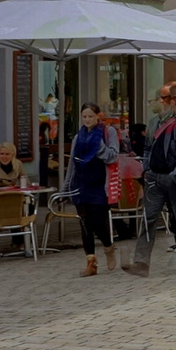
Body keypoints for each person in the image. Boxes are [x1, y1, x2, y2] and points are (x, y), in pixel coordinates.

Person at [124, 82, 176, 277]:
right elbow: (148, 147)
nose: (157, 101)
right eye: (156, 98)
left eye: (162, 98)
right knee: (148, 219)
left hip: (174, 179)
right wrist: (147, 169)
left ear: (172, 101)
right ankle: (141, 263)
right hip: (155, 178)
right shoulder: (152, 123)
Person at [67, 104, 121, 277]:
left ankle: (108, 247)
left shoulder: (107, 132)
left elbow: (113, 156)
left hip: (99, 183)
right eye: (84, 116)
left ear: (98, 116)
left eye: (90, 116)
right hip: (80, 183)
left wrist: (98, 146)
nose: (87, 120)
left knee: (98, 221)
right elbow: (72, 163)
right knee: (85, 223)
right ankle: (91, 262)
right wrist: (66, 185)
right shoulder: (78, 137)